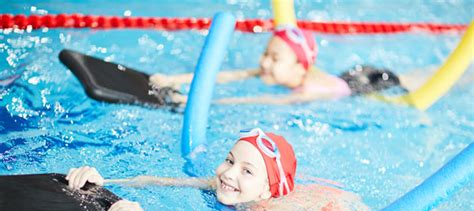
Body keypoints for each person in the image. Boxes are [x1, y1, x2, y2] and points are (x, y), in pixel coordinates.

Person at [66, 128, 370, 211]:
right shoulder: (229, 183)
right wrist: (107, 179)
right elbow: (164, 181)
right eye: (229, 160)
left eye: (246, 171)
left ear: (266, 191)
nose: (228, 173)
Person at [151, 26, 428, 106]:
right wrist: (175, 78)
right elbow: (229, 75)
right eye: (266, 53)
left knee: (415, 83)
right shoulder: (276, 71)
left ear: (299, 69)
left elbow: (253, 99)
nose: (264, 63)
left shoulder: (306, 90)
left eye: (275, 58)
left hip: (366, 84)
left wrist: (195, 101)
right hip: (348, 75)